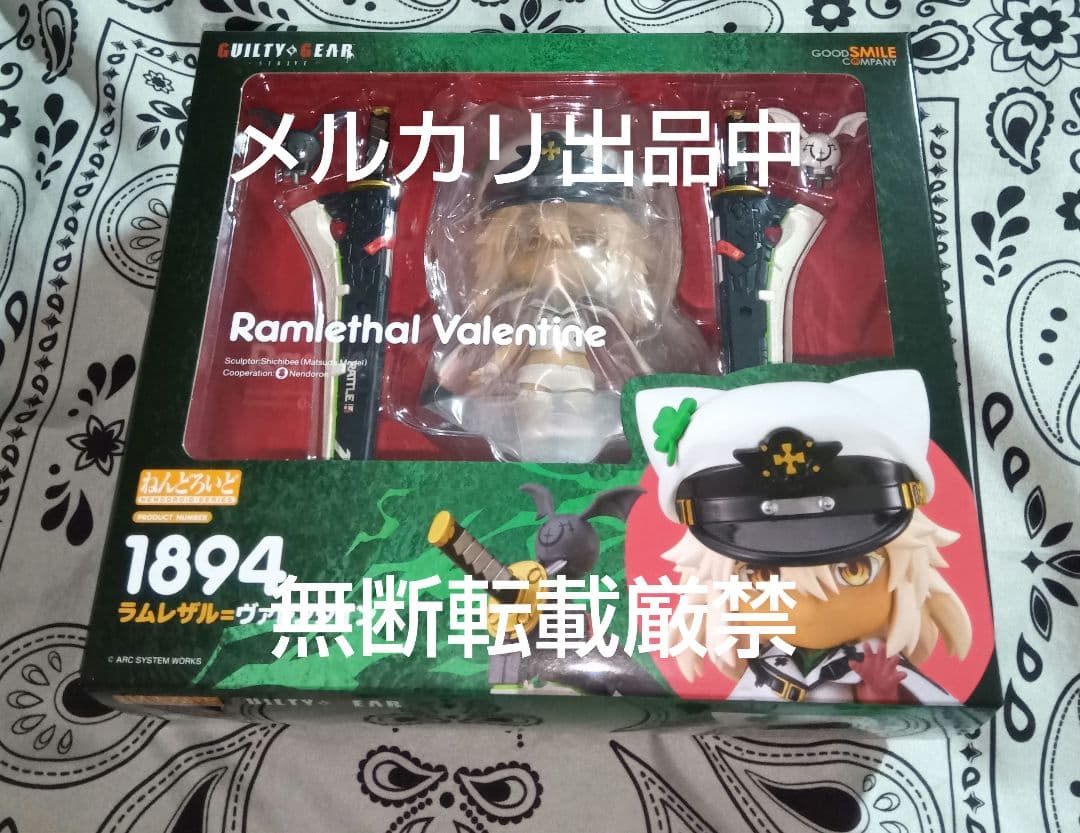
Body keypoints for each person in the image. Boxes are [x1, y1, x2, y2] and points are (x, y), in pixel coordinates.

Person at [632, 369, 972, 704]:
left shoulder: (873, 660)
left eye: (854, 568)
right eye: (761, 575)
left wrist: (879, 692)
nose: (807, 605)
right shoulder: (764, 669)